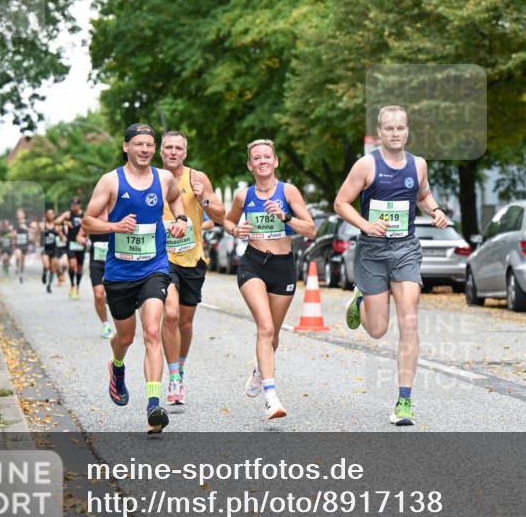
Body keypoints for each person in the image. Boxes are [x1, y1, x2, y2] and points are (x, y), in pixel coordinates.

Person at [333, 105, 449, 426]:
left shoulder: (419, 165)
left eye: (401, 128)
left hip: (406, 249)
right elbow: (341, 202)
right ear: (380, 132)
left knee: (409, 319)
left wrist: (435, 210)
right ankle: (360, 299)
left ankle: (404, 401)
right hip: (372, 251)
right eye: (389, 128)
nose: (396, 133)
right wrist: (365, 225)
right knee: (378, 329)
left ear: (407, 131)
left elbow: (423, 195)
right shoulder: (366, 165)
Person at [81, 123, 188, 434]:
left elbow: (175, 198)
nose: (145, 150)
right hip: (119, 273)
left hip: (154, 267)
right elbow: (88, 222)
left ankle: (154, 404)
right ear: (125, 146)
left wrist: (180, 218)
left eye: (149, 145)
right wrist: (115, 227)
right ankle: (117, 367)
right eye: (139, 144)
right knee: (126, 338)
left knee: (152, 331)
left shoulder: (164, 178)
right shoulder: (111, 181)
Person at [222, 139, 315, 420]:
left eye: (267, 157)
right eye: (256, 158)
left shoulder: (289, 191)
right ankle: (271, 398)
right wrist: (236, 231)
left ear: (275, 162)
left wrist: (285, 216)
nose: (262, 161)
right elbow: (227, 222)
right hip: (253, 265)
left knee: (272, 334)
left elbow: (310, 229)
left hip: (283, 266)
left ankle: (258, 371)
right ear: (250, 165)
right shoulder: (243, 195)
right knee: (264, 327)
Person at [157, 131, 226, 405]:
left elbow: (220, 216)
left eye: (178, 148)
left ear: (184, 152)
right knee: (170, 315)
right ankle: (173, 376)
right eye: (168, 148)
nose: (173, 152)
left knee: (185, 322)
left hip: (192, 257)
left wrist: (203, 199)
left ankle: (180, 366)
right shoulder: (151, 179)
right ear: (161, 152)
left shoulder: (197, 178)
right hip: (161, 259)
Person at [87, 210, 114, 338]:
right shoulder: (93, 216)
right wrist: (81, 238)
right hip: (97, 263)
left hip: (114, 263)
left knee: (117, 295)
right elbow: (81, 233)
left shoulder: (116, 213)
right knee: (98, 295)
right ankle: (106, 325)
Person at [55, 197, 87, 299]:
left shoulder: (84, 214)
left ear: (79, 205)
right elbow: (56, 221)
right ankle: (72, 285)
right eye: (72, 205)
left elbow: (90, 224)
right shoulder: (68, 214)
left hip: (81, 244)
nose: (73, 207)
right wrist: (65, 222)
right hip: (71, 243)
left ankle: (77, 286)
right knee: (72, 265)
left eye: (75, 205)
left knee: (79, 268)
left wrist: (84, 225)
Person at [40, 209, 60, 292]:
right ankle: (44, 274)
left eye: (52, 214)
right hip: (45, 249)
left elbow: (61, 234)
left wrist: (63, 236)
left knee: (53, 269)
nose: (50, 215)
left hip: (54, 249)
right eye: (48, 214)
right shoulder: (42, 225)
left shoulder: (56, 225)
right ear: (46, 215)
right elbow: (38, 232)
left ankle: (49, 285)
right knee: (47, 266)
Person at [13, 209, 30, 283]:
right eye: (18, 214)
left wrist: (26, 228)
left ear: (24, 215)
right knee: (18, 255)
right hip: (18, 243)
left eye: (20, 214)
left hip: (25, 244)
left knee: (22, 260)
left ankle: (21, 275)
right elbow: (13, 233)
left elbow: (33, 231)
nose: (19, 215)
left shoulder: (28, 222)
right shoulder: (15, 224)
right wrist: (14, 234)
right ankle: (17, 267)